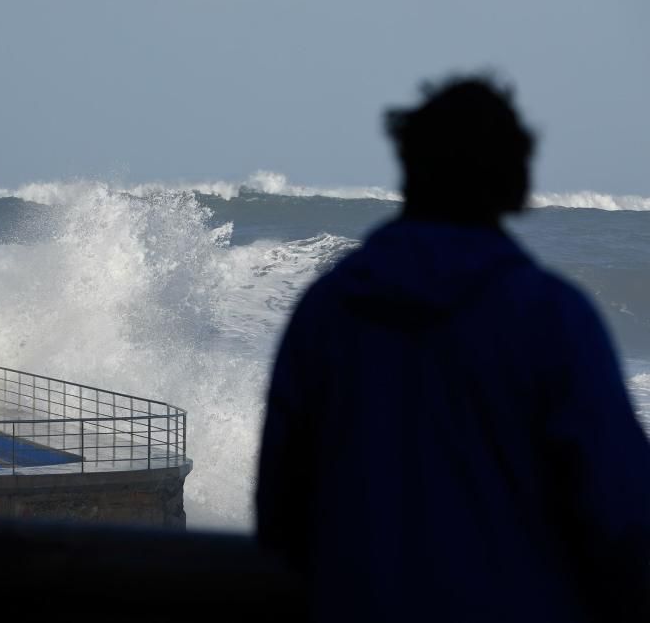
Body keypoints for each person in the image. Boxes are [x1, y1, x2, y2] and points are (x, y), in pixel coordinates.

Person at [255, 75, 650, 622]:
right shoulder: (549, 316)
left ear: (410, 169)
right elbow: (625, 516)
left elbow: (279, 511)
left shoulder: (329, 309)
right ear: (515, 179)